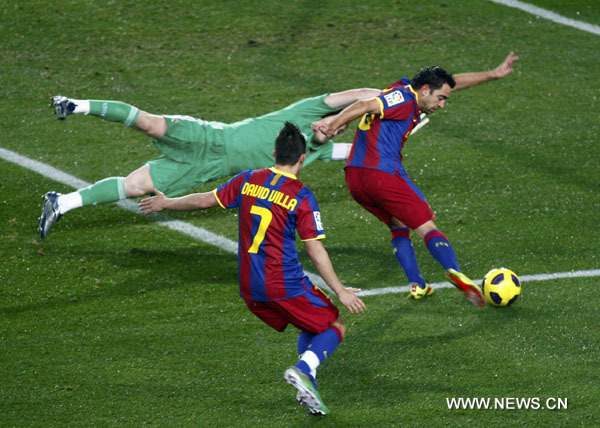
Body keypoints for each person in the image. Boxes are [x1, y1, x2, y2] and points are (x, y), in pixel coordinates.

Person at [139, 122, 366, 415]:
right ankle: (303, 371)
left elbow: (205, 200)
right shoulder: (301, 195)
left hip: (250, 287)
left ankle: (308, 388)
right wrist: (341, 291)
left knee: (310, 325)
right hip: (284, 283)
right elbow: (315, 248)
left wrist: (167, 203)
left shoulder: (248, 180)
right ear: (303, 157)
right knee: (335, 325)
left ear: (274, 153)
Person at [38, 87, 387, 238]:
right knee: (148, 122)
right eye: (337, 123)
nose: (333, 131)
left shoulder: (313, 151)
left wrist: (398, 127)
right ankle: (75, 105)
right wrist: (395, 100)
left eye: (340, 130)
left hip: (205, 169)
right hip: (208, 137)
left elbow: (367, 151)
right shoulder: (307, 111)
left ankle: (61, 202)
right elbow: (359, 95)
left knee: (136, 187)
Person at [313, 52, 519, 306]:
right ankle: (455, 271)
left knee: (397, 222)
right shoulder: (403, 98)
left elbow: (451, 81)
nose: (442, 105)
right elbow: (365, 105)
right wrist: (334, 123)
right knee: (426, 224)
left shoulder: (403, 89)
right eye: (441, 99)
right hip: (381, 174)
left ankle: (417, 284)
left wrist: (492, 74)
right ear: (424, 90)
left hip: (356, 179)